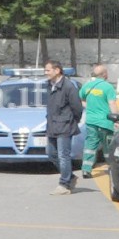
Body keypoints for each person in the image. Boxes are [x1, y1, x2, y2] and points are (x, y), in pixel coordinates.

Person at [45, 60, 83, 195]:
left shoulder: (68, 86)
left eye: (48, 70)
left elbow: (77, 108)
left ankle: (64, 185)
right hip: (52, 125)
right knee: (51, 153)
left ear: (57, 70)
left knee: (63, 155)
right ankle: (71, 177)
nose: (46, 73)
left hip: (65, 125)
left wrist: (72, 121)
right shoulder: (49, 85)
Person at [79, 64, 118, 179]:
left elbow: (80, 98)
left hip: (91, 121)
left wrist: (89, 106)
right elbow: (112, 104)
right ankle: (111, 167)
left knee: (90, 145)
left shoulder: (87, 86)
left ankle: (86, 170)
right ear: (104, 74)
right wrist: (117, 118)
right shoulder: (108, 87)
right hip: (106, 122)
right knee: (109, 146)